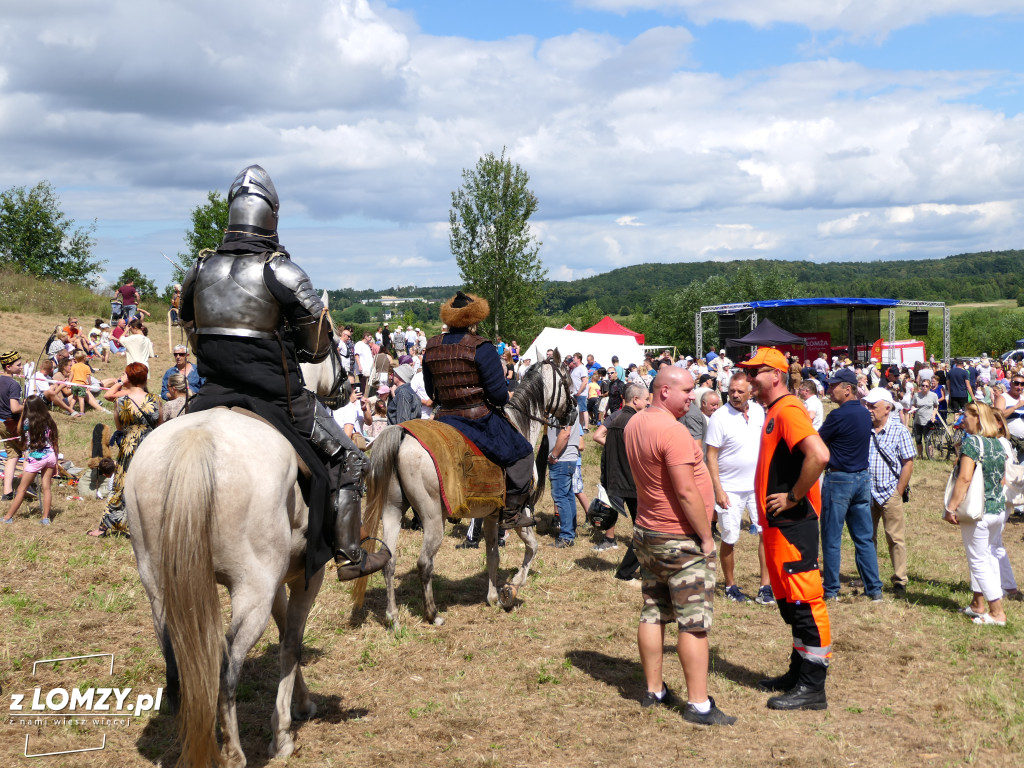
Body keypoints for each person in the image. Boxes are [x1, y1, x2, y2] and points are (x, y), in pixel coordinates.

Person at [178, 164, 387, 581]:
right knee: (349, 460)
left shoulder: (200, 270)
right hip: (278, 396)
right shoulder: (281, 271)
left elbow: (192, 334)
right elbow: (315, 350)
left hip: (212, 392)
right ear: (271, 215)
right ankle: (350, 554)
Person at [623, 367, 734, 725]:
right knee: (693, 623)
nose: (693, 396)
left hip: (647, 532)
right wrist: (705, 538)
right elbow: (685, 491)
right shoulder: (673, 431)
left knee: (653, 609)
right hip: (679, 539)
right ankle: (699, 704)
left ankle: (654, 690)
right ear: (664, 390)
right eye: (687, 390)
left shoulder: (635, 423)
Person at [739, 347, 831, 711]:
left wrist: (793, 496)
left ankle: (813, 686)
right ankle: (798, 672)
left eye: (755, 372)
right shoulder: (774, 411)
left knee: (806, 603)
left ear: (775, 375)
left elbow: (819, 455)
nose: (749, 378)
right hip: (779, 526)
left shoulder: (789, 410)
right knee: (790, 604)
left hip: (794, 524)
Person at [421, 292, 538, 531]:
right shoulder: (481, 347)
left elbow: (431, 392)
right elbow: (498, 397)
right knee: (524, 452)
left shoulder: (431, 346)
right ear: (474, 320)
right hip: (477, 419)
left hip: (442, 418)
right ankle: (512, 512)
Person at [705, 371, 773, 604]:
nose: (734, 395)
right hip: (730, 489)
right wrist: (719, 490)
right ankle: (730, 586)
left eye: (740, 391)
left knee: (766, 534)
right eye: (732, 390)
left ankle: (765, 586)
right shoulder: (720, 417)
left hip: (758, 486)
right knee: (730, 537)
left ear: (751, 392)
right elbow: (711, 456)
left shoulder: (757, 411)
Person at [943, 402, 1012, 625]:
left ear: (978, 419)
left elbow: (964, 478)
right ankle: (977, 604)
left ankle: (997, 612)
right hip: (997, 510)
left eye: (966, 417)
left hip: (978, 512)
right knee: (987, 556)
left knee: (979, 562)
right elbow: (1002, 478)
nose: (962, 420)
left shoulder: (972, 443)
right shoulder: (999, 444)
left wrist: (950, 508)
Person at [818, 367, 883, 602]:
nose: (829, 389)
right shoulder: (865, 413)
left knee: (832, 537)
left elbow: (817, 442)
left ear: (848, 389)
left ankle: (832, 590)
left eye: (834, 385)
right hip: (862, 478)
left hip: (839, 480)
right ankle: (874, 589)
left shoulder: (837, 416)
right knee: (864, 538)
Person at [87, 363, 162, 536]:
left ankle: (105, 526)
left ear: (128, 378)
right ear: (145, 378)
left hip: (129, 446)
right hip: (151, 445)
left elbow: (119, 426)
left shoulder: (121, 401)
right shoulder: (156, 399)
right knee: (151, 485)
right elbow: (160, 425)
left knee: (122, 485)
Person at [864, 387, 914, 597]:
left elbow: (908, 463)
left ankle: (900, 581)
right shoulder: (863, 427)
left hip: (889, 492)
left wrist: (898, 491)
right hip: (866, 492)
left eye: (873, 406)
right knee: (867, 538)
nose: (868, 410)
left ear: (887, 408)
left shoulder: (899, 430)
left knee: (895, 538)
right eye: (867, 405)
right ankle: (869, 578)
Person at [592, 384, 646, 574]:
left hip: (618, 482)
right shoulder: (637, 422)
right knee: (645, 531)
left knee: (642, 530)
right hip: (634, 484)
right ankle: (626, 572)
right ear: (636, 399)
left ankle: (638, 569)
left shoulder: (615, 420)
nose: (648, 403)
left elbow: (606, 450)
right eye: (646, 399)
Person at [2, 396, 59, 525]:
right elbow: (55, 442)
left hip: (36, 458)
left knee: (22, 489)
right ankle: (45, 518)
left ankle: (7, 517)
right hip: (49, 455)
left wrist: (22, 414)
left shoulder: (27, 423)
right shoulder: (49, 420)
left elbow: (18, 431)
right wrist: (55, 460)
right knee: (46, 488)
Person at [547, 417, 585, 547]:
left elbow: (565, 433)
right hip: (567, 458)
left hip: (561, 459)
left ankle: (566, 537)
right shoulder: (570, 404)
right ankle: (570, 530)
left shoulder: (566, 405)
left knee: (560, 497)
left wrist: (554, 455)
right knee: (568, 496)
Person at [0, 350, 25, 501]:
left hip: (0, 423)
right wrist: (28, 404)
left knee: (13, 455)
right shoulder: (13, 384)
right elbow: (15, 408)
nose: (21, 367)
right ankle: (25, 486)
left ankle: (7, 492)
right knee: (29, 451)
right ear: (8, 367)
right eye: (18, 365)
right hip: (11, 423)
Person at [911, 378, 941, 458]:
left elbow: (935, 406)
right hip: (918, 419)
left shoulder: (933, 395)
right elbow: (913, 404)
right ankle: (920, 456)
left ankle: (930, 456)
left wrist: (933, 415)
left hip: (928, 420)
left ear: (929, 387)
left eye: (926, 386)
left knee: (928, 439)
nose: (924, 387)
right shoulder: (917, 395)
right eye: (922, 385)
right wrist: (913, 409)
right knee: (918, 438)